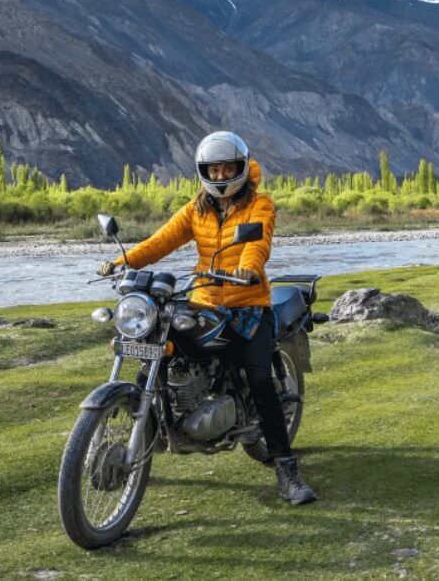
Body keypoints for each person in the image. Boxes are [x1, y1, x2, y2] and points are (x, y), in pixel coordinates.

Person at [96, 131, 317, 506]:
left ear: (241, 169)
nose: (219, 177)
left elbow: (257, 244)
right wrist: (123, 262)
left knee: (261, 379)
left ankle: (286, 470)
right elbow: (162, 240)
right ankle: (149, 438)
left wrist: (248, 269)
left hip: (249, 304)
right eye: (212, 170)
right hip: (206, 301)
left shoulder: (259, 205)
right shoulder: (196, 209)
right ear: (203, 172)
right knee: (159, 350)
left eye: (226, 169)